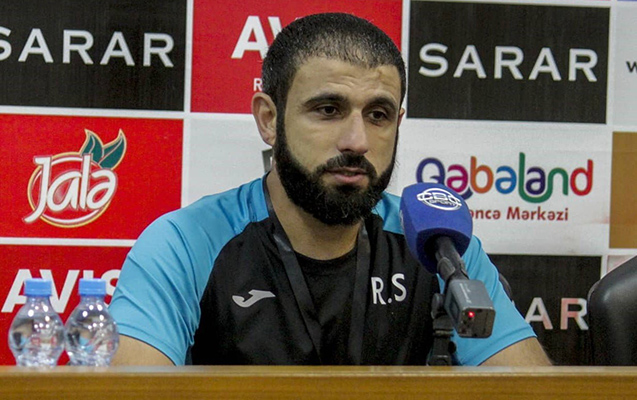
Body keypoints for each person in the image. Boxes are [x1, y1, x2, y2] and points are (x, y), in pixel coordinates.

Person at [109, 12, 551, 366]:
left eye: (378, 115)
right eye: (327, 109)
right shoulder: (186, 244)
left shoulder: (438, 246)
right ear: (269, 119)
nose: (357, 141)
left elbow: (531, 391)